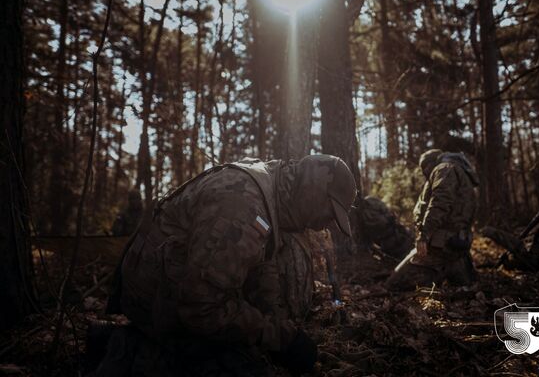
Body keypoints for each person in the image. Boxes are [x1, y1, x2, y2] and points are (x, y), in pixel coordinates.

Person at [90, 155, 357, 377]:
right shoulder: (242, 207)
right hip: (157, 300)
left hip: (182, 290)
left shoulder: (276, 190)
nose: (325, 224)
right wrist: (278, 338)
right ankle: (126, 349)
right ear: (313, 192)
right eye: (329, 212)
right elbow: (202, 307)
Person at [386, 149, 479, 291]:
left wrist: (424, 235)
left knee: (394, 284)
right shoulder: (460, 172)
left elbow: (439, 204)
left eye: (425, 167)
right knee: (465, 282)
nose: (425, 173)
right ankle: (453, 270)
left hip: (440, 245)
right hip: (456, 243)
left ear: (432, 163)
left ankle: (438, 275)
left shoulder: (444, 168)